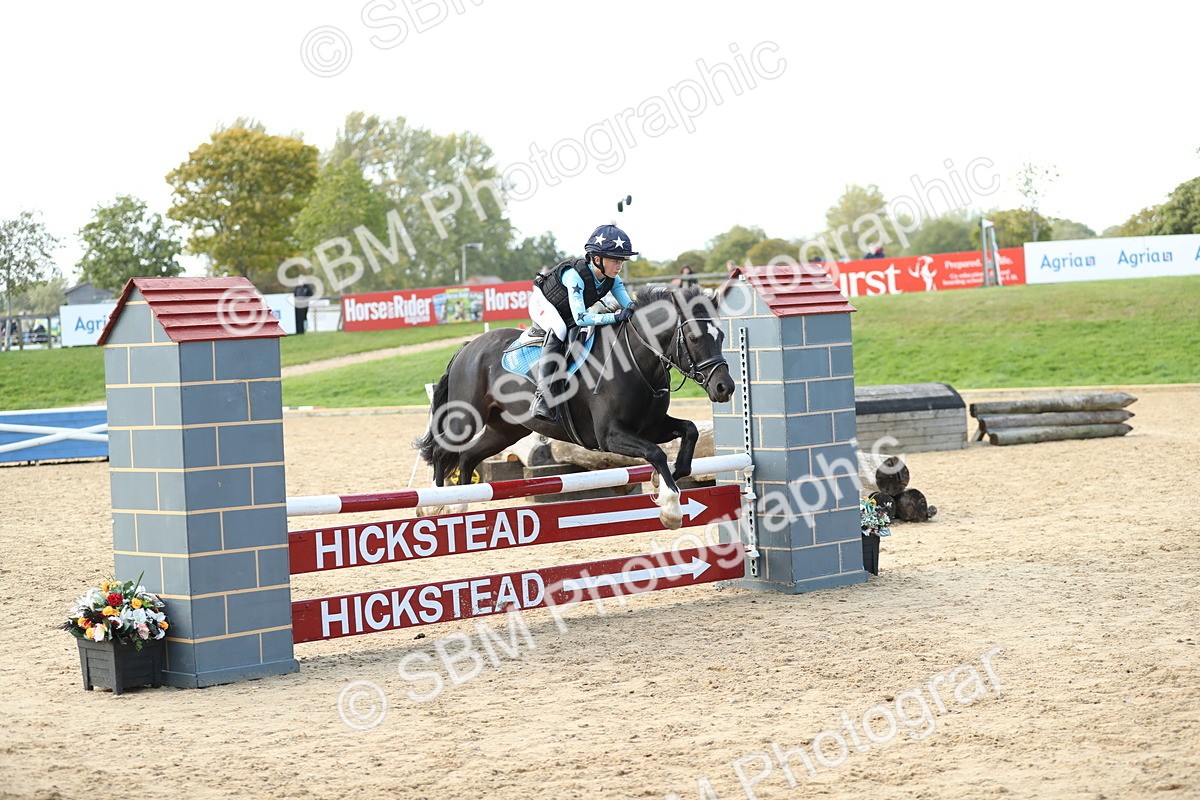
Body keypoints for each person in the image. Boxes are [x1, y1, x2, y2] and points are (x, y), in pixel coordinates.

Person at [528, 223, 637, 420]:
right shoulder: (574, 276)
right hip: (542, 303)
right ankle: (542, 397)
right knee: (560, 329)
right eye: (614, 260)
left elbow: (630, 306)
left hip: (567, 310)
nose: (619, 266)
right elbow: (581, 319)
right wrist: (615, 316)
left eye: (622, 261)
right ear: (597, 259)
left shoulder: (613, 278)